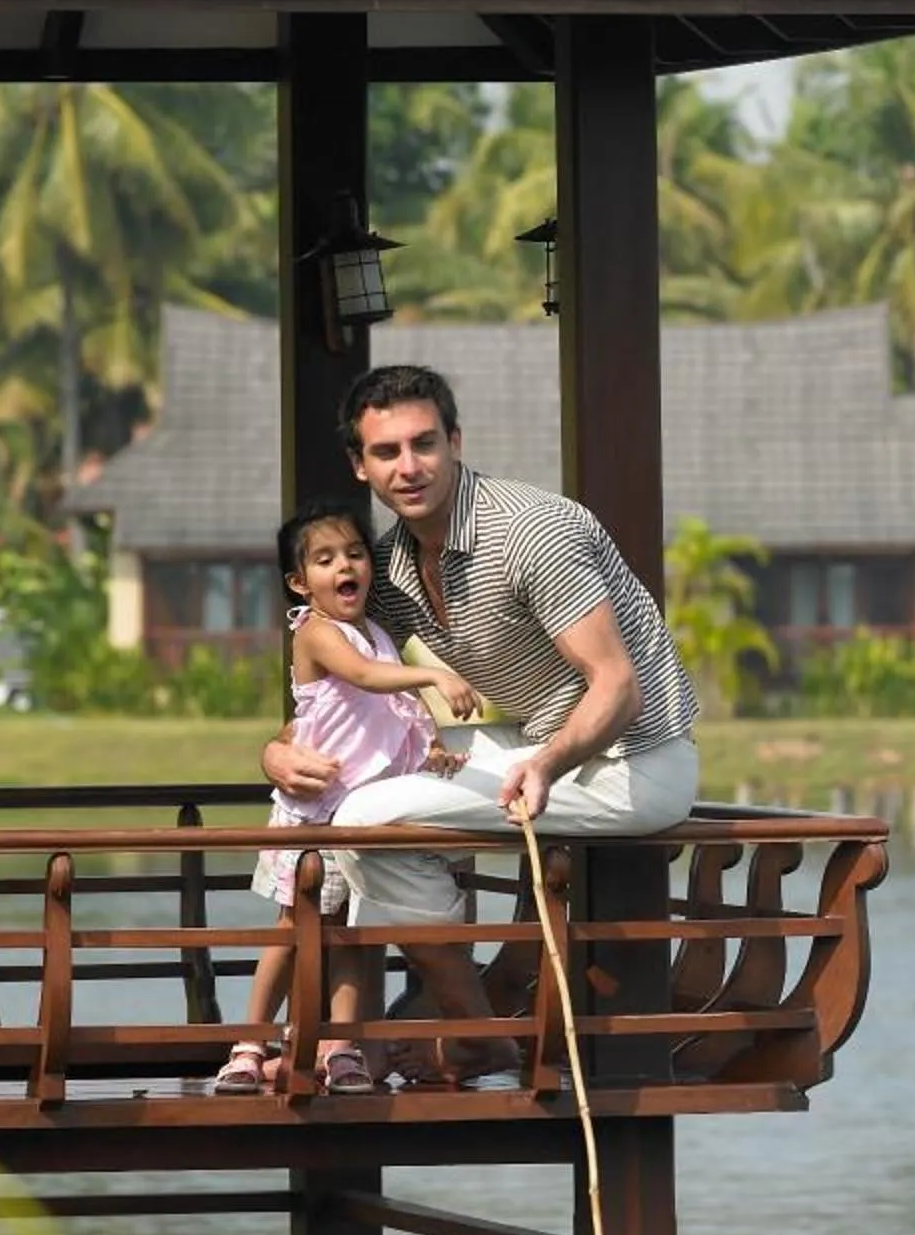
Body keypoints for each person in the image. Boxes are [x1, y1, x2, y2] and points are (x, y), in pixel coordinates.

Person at [260, 366, 701, 1024]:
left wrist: (546, 765)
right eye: (386, 452)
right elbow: (335, 687)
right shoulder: (393, 565)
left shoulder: (531, 535)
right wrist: (277, 753)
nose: (409, 467)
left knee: (362, 813)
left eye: (424, 444)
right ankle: (430, 1007)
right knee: (357, 783)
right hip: (538, 743)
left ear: (455, 442)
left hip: (634, 762)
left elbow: (619, 688)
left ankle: (465, 1024)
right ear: (361, 466)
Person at [212, 503, 484, 1097]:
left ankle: (342, 1047)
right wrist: (434, 677)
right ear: (299, 582)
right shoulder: (315, 631)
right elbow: (361, 677)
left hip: (365, 821)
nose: (345, 566)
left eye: (355, 554)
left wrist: (432, 751)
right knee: (294, 931)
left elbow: (395, 715)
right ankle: (249, 1043)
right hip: (316, 815)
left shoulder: (380, 636)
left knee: (358, 937)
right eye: (325, 558)